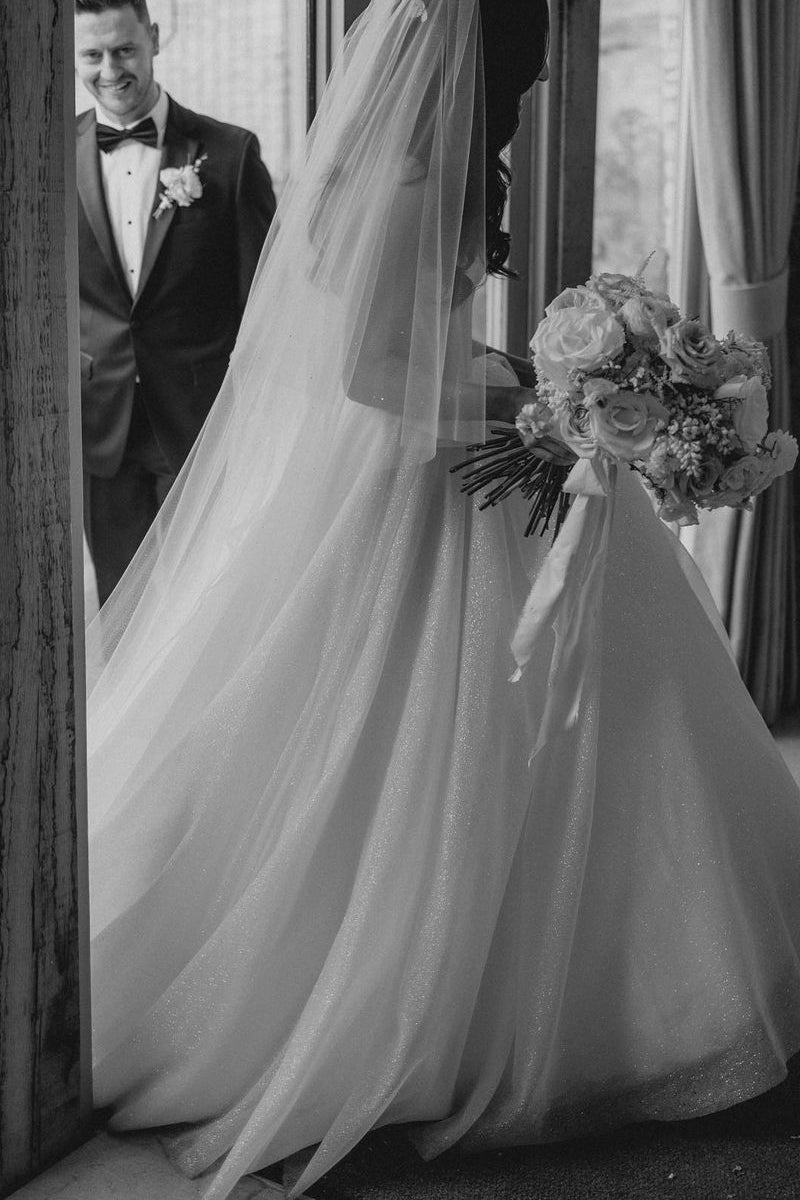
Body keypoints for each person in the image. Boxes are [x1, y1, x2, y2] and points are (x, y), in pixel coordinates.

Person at [87, 2, 800, 1199]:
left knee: (589, 723)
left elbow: (425, 349)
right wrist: (554, 412)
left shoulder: (426, 164)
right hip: (419, 487)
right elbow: (375, 374)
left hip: (458, 456)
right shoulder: (415, 176)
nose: (529, 83)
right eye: (526, 66)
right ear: (492, 67)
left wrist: (545, 387)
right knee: (432, 737)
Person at [75, 0, 276, 604]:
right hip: (99, 426)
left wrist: (254, 420)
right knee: (120, 607)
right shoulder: (43, 155)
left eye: (124, 50)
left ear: (155, 39)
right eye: (92, 54)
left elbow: (265, 302)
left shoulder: (230, 153)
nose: (110, 70)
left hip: (200, 425)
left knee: (205, 606)